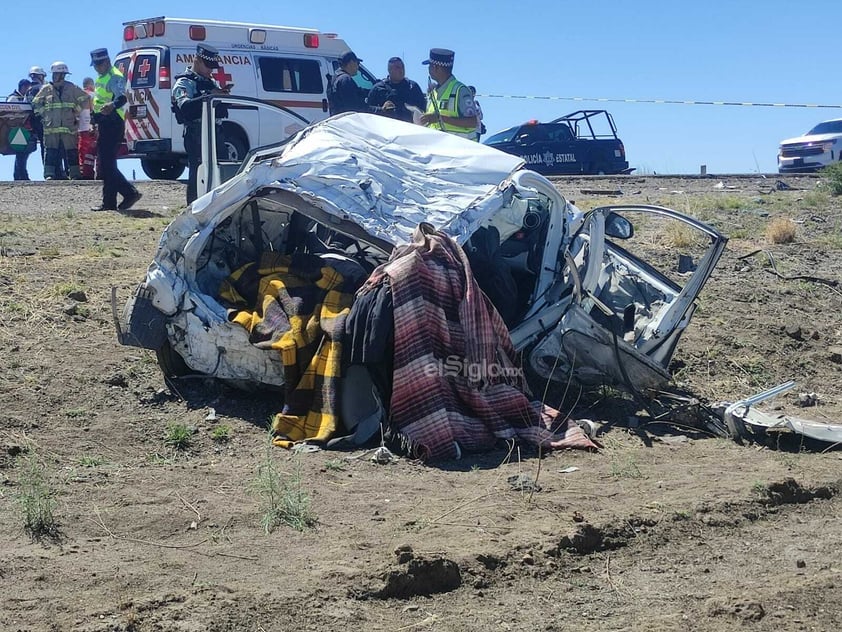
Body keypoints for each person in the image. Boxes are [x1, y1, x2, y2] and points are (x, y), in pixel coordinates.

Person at [172, 44, 229, 204]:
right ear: (197, 60)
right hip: (196, 133)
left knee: (221, 170)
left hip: (215, 131)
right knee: (198, 173)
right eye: (208, 66)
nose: (211, 70)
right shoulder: (184, 82)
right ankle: (193, 209)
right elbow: (185, 107)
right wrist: (208, 95)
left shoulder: (211, 82)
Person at [89, 48, 141, 211]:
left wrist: (112, 105)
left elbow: (122, 97)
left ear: (107, 61)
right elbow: (98, 102)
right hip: (104, 122)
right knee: (106, 164)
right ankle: (110, 203)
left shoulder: (114, 76)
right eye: (95, 65)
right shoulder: (101, 77)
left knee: (107, 164)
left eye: (99, 64)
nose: (97, 67)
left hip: (113, 122)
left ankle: (128, 193)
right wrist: (94, 121)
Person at [31, 61, 90, 180]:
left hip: (68, 127)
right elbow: (35, 103)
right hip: (51, 128)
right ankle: (49, 174)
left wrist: (76, 111)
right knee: (51, 152)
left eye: (64, 74)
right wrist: (44, 113)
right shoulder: (46, 89)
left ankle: (75, 174)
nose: (62, 77)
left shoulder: (72, 88)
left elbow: (86, 98)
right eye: (60, 74)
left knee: (72, 151)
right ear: (54, 75)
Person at [419, 48, 478, 140]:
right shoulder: (433, 93)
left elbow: (472, 122)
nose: (428, 69)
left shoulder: (460, 90)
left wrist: (440, 118)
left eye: (430, 66)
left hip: (460, 150)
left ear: (436, 67)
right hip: (438, 149)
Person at [327, 51, 393, 116]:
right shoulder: (345, 80)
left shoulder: (334, 78)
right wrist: (381, 110)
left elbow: (359, 92)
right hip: (346, 122)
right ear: (351, 63)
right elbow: (356, 107)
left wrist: (373, 91)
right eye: (357, 63)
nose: (358, 67)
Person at [367, 57, 426, 124]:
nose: (401, 70)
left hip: (409, 128)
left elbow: (423, 109)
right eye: (397, 68)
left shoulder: (413, 87)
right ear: (389, 70)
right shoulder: (378, 89)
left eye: (402, 67)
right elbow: (368, 109)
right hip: (385, 128)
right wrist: (381, 110)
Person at [7, 79, 37, 180]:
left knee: (23, 153)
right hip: (16, 130)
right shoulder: (14, 98)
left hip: (21, 130)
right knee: (21, 153)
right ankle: (22, 175)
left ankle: (19, 175)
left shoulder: (21, 98)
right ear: (24, 87)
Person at [26, 66, 47, 165]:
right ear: (40, 76)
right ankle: (52, 170)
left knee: (43, 145)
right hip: (44, 121)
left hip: (33, 122)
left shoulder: (28, 91)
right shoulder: (42, 88)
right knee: (48, 145)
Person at [77, 77, 98, 179]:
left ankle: (85, 173)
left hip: (81, 128)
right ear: (91, 85)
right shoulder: (95, 95)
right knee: (95, 152)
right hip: (93, 127)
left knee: (83, 153)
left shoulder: (78, 96)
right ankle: (99, 173)